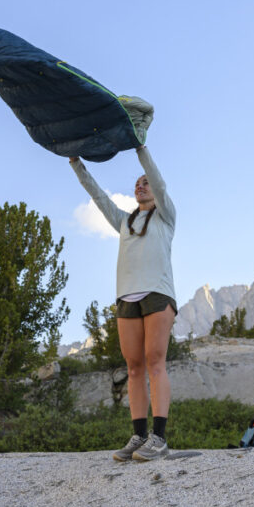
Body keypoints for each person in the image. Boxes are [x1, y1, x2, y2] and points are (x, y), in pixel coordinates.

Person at [70, 144, 177, 462]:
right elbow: (99, 196)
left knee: (155, 362)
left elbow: (157, 179)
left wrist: (140, 148)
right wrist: (77, 163)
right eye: (137, 183)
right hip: (126, 298)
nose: (141, 186)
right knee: (133, 368)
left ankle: (159, 438)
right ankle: (139, 435)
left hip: (158, 294)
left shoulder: (166, 217)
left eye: (146, 183)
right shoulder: (124, 221)